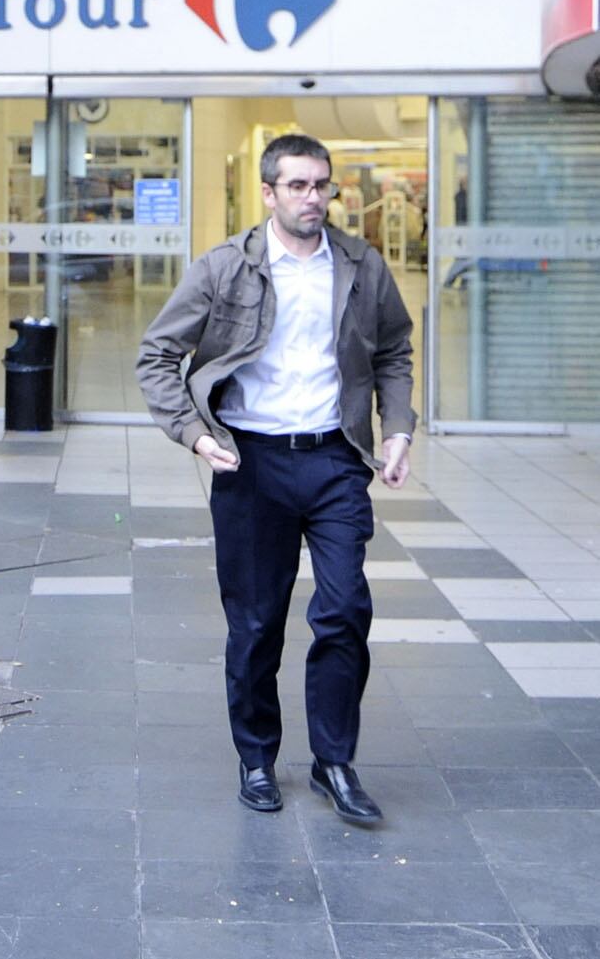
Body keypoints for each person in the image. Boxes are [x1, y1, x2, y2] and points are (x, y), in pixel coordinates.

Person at [137, 132, 415, 825]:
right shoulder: (223, 267)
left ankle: (333, 761)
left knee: (345, 611)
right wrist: (195, 433)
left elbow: (393, 351)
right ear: (268, 193)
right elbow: (157, 354)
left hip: (333, 460)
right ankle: (257, 757)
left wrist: (397, 428)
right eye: (297, 185)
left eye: (321, 184)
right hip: (251, 463)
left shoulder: (361, 265)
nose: (312, 197)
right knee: (256, 623)